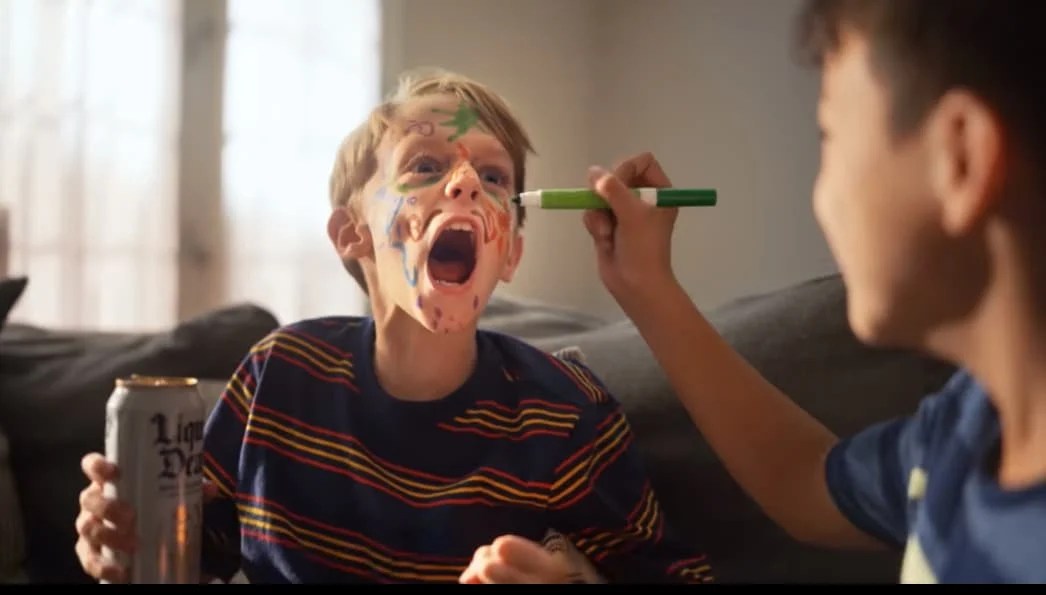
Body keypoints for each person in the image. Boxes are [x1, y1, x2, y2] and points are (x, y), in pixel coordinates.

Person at [71, 68, 713, 585]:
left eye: (494, 177)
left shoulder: (565, 414)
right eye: (426, 167)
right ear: (352, 234)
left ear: (511, 252)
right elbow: (189, 552)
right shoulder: (279, 375)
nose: (465, 184)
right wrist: (120, 543)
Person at [579, 0, 1046, 584]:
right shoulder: (962, 428)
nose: (821, 198)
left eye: (830, 135)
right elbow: (803, 480)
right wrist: (648, 287)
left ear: (962, 158)